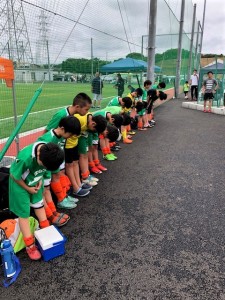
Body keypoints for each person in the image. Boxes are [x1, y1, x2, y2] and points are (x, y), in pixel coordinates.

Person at [9, 142, 64, 260]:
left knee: (39, 205)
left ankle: (46, 229)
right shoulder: (25, 158)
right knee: (24, 213)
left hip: (36, 182)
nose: (44, 168)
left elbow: (43, 170)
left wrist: (40, 180)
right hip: (20, 186)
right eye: (43, 166)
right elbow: (14, 176)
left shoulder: (49, 154)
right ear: (38, 156)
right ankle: (30, 245)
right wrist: (27, 188)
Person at [45, 93, 93, 201]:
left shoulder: (73, 115)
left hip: (61, 148)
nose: (87, 112)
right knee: (57, 174)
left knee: (61, 173)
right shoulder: (61, 115)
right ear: (77, 107)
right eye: (86, 109)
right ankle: (62, 198)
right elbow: (47, 131)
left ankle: (66, 194)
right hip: (55, 150)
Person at [37, 116, 81, 214]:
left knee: (58, 175)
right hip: (46, 166)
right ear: (62, 128)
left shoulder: (61, 135)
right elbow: (40, 158)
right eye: (70, 134)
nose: (71, 136)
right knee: (46, 188)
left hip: (55, 162)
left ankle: (63, 197)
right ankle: (52, 209)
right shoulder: (47, 139)